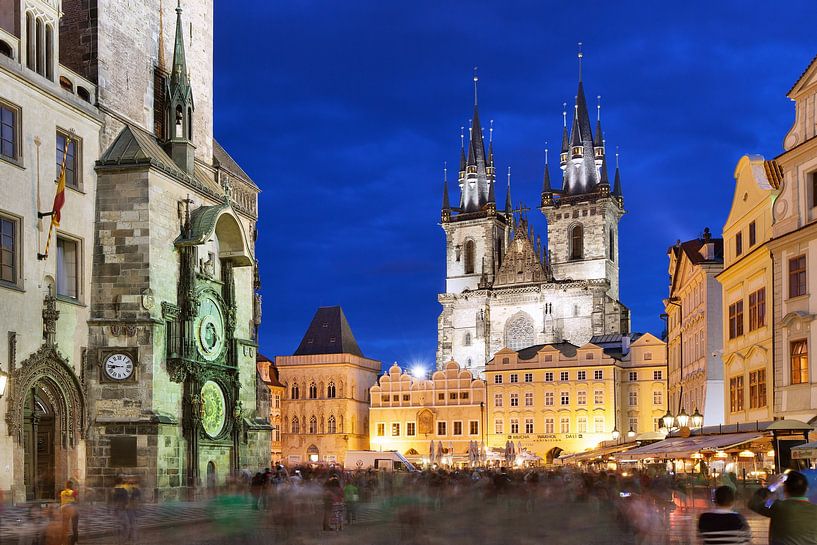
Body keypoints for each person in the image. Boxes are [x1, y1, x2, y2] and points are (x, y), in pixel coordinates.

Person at [749, 470, 817, 544]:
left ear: (785, 489)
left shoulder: (777, 507)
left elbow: (753, 503)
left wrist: (771, 487)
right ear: (807, 489)